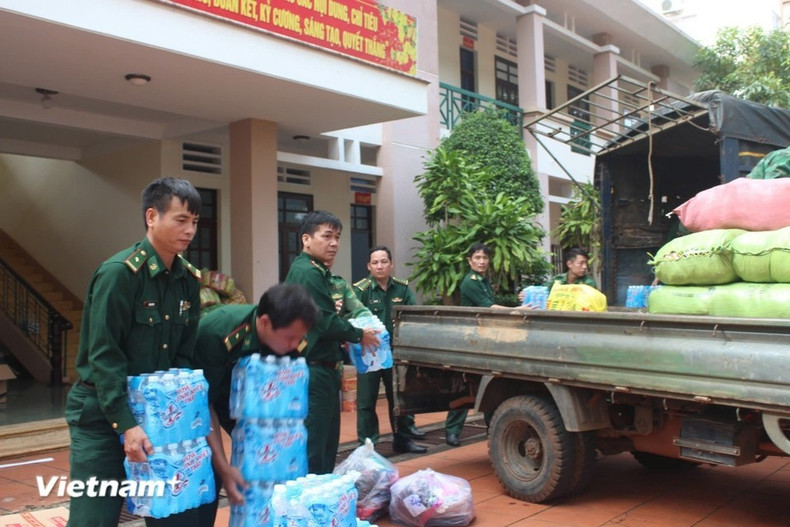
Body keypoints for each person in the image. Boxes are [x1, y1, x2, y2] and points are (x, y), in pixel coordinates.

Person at [65, 177, 203, 527]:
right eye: (181, 220)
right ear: (152, 216)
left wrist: (179, 413)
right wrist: (126, 425)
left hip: (158, 416)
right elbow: (104, 356)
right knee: (94, 515)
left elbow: (182, 357)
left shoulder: (187, 280)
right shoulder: (120, 275)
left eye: (195, 222)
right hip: (102, 414)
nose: (189, 230)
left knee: (171, 511)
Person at [191, 283, 319, 526]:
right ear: (264, 323)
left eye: (300, 337)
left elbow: (285, 410)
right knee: (208, 474)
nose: (296, 345)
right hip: (210, 399)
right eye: (291, 338)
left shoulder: (295, 343)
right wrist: (224, 468)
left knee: (268, 472)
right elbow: (202, 406)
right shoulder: (217, 332)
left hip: (256, 408)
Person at [284, 210, 380, 474]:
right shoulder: (307, 272)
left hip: (323, 367)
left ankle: (322, 499)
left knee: (325, 443)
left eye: (337, 237)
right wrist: (359, 335)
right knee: (315, 445)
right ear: (306, 239)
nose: (334, 243)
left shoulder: (318, 272)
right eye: (327, 236)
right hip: (313, 369)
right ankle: (311, 502)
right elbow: (324, 320)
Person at [446, 242, 532, 447]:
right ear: (469, 261)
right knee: (465, 388)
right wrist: (516, 309)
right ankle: (452, 432)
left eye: (484, 258)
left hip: (483, 340)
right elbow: (489, 307)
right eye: (477, 258)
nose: (482, 261)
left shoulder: (483, 280)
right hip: (471, 339)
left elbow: (492, 301)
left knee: (489, 384)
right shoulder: (470, 282)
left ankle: (491, 429)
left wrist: (516, 300)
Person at [353, 245, 427, 454]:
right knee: (366, 402)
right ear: (368, 266)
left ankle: (402, 439)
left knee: (399, 397)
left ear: (391, 264)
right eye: (375, 262)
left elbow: (412, 317)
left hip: (395, 354)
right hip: (369, 355)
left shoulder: (402, 289)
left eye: (384, 261)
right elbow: (353, 319)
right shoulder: (361, 290)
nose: (379, 266)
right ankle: (367, 446)